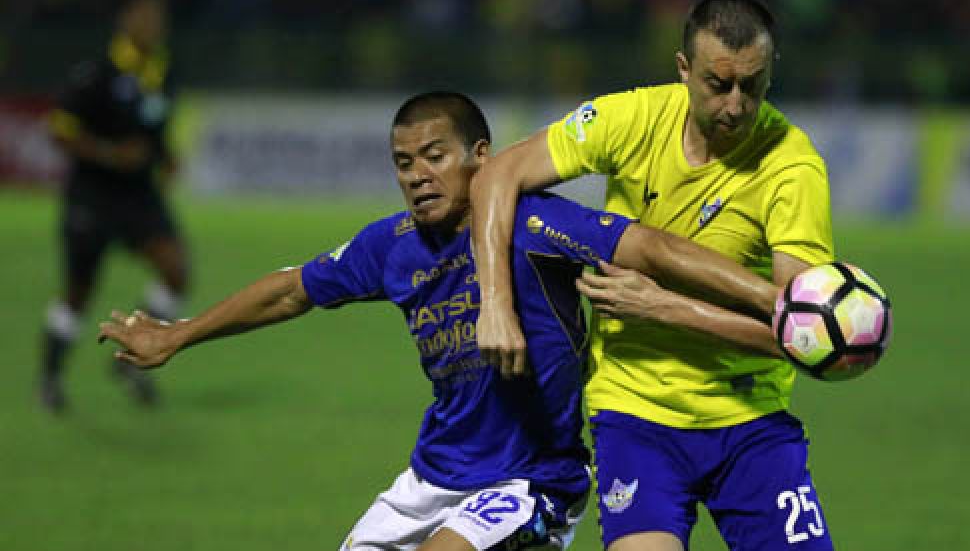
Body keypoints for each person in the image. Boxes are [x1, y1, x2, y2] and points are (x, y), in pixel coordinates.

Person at [98, 91, 785, 551]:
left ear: (481, 160)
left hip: (533, 484)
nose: (418, 176)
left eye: (434, 156)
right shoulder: (391, 246)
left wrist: (770, 300)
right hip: (430, 480)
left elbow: (654, 248)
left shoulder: (538, 223)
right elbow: (290, 291)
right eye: (404, 163)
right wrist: (178, 334)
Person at [470, 0, 836, 550]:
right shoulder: (635, 118)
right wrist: (495, 304)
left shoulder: (792, 166)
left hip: (749, 418)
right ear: (684, 70)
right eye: (718, 84)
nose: (736, 105)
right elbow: (498, 175)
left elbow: (797, 334)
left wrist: (664, 307)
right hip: (634, 414)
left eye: (753, 86)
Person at [39, 0, 187, 412]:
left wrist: (167, 157)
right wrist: (109, 154)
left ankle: (130, 360)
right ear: (126, 21)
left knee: (175, 270)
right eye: (146, 17)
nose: (155, 26)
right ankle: (50, 376)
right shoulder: (96, 73)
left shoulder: (164, 70)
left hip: (139, 196)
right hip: (93, 195)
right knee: (79, 291)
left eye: (159, 19)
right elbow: (60, 131)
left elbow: (156, 125)